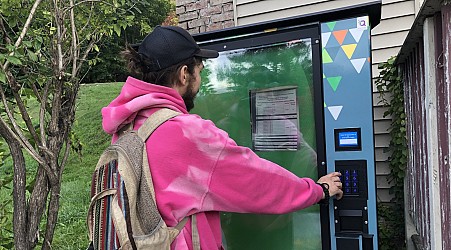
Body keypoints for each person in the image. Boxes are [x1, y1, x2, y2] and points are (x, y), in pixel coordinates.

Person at [101, 25, 343, 250]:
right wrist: (318, 189)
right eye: (200, 71)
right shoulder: (186, 133)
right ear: (185, 74)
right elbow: (256, 180)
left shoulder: (129, 124)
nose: (201, 80)